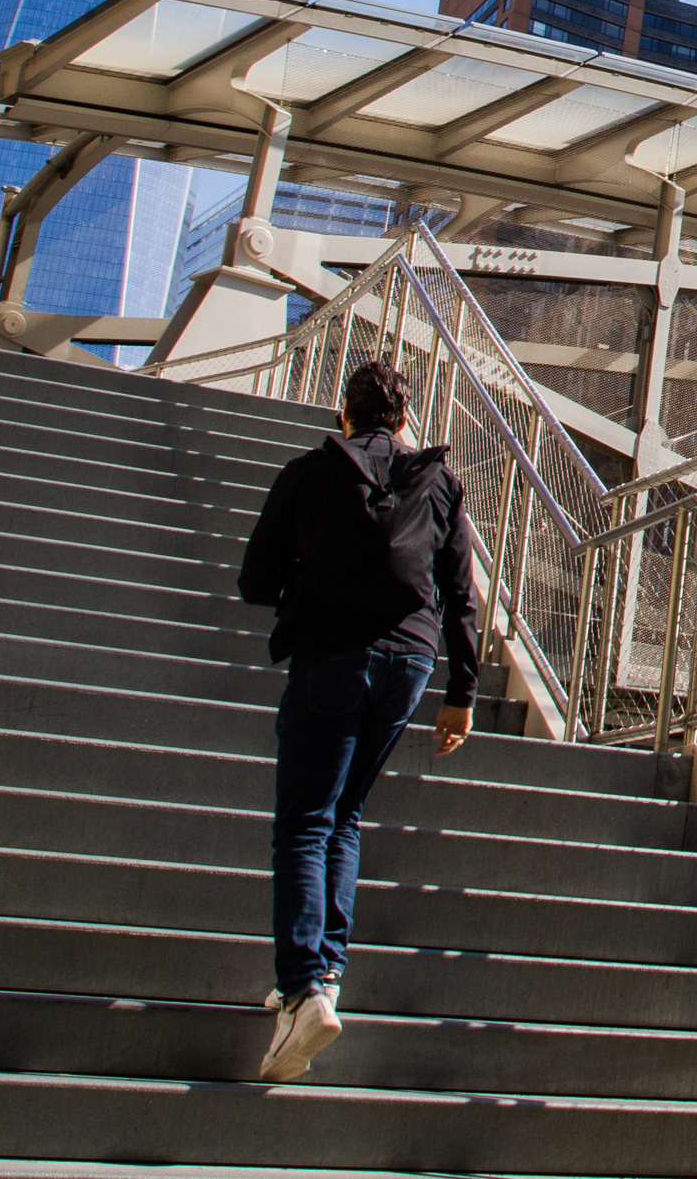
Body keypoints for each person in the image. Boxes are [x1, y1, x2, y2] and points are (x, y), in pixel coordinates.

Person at [237, 354, 479, 1084]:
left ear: (343, 416)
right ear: (405, 422)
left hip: (330, 658)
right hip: (407, 663)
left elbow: (254, 581)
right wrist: (462, 690)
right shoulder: (438, 481)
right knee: (343, 817)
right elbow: (461, 595)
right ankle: (324, 975)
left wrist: (308, 576)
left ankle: (305, 989)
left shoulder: (310, 474)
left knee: (307, 821)